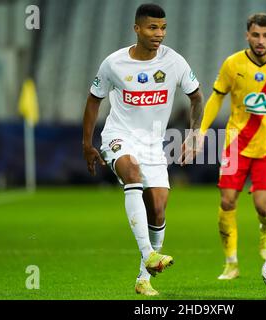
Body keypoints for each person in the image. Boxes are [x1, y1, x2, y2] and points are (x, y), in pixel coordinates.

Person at [82, 3, 203, 296]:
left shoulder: (174, 62)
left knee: (158, 210)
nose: (159, 33)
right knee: (131, 172)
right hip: (118, 136)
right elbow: (94, 100)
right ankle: (149, 252)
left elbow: (197, 97)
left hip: (153, 145)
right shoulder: (113, 63)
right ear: (137, 29)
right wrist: (87, 143)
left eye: (162, 28)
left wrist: (195, 132)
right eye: (152, 27)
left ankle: (142, 279)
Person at [197, 13, 266, 280]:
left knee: (264, 207)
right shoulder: (233, 64)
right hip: (236, 144)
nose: (261, 40)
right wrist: (200, 131)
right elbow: (215, 98)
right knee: (226, 200)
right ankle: (231, 263)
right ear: (248, 35)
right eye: (256, 35)